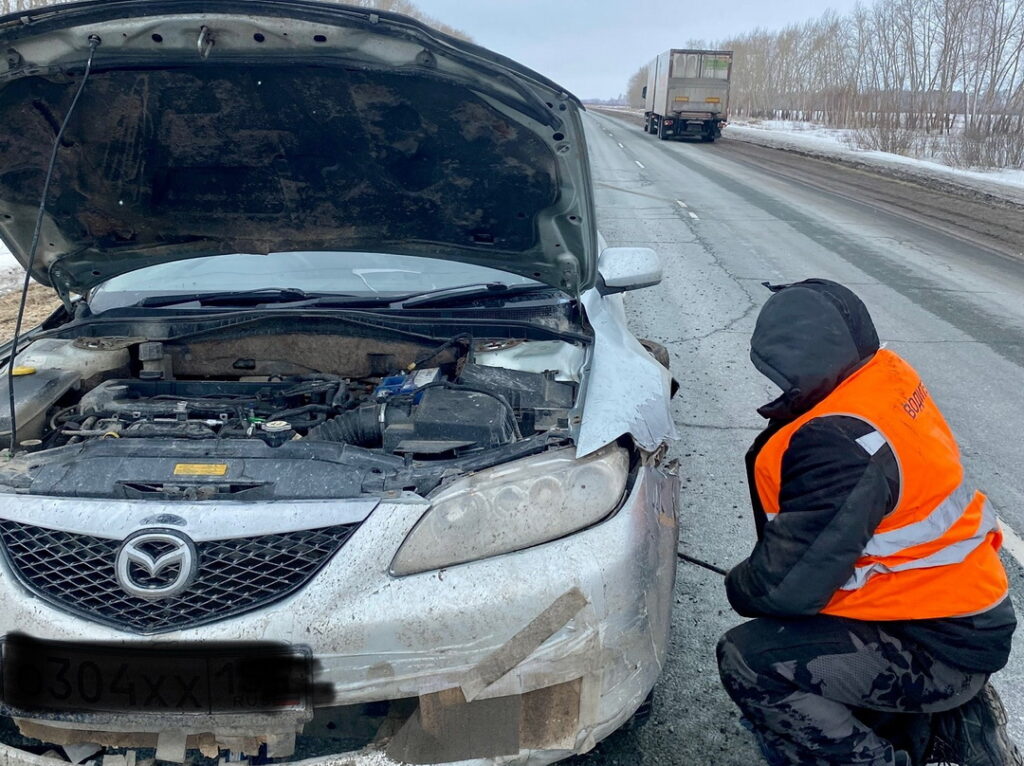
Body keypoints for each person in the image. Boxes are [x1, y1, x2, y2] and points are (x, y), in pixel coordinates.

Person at [716, 279, 1020, 766]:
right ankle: (916, 721)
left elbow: (786, 591)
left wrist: (741, 584)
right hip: (963, 612)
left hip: (940, 646)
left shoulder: (837, 442)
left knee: (750, 660)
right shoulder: (884, 379)